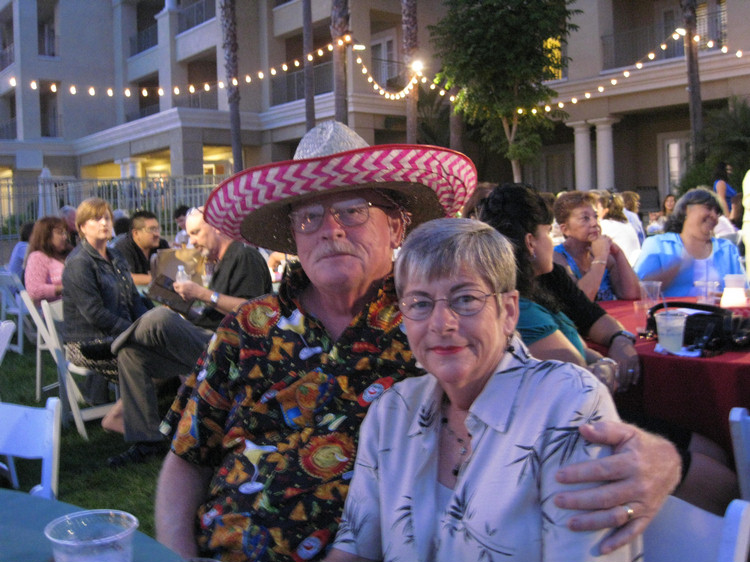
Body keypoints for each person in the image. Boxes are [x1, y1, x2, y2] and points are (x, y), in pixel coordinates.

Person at [154, 122, 681, 561]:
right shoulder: (245, 329)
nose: (329, 229)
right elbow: (187, 455)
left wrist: (663, 457)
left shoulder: (438, 320)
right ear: (293, 235)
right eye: (309, 215)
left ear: (397, 223)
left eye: (353, 209)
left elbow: (547, 399)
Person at [327, 218, 641, 561]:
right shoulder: (393, 411)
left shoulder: (569, 403)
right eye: (420, 303)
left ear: (508, 311)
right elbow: (354, 548)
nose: (442, 322)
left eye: (465, 299)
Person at [481, 183, 739, 516]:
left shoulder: (546, 279)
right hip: (572, 435)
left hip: (595, 416)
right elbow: (579, 382)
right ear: (531, 242)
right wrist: (600, 362)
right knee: (722, 484)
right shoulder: (517, 306)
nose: (553, 240)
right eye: (549, 232)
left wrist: (616, 343)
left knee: (714, 452)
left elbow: (594, 319)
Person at [106, 206, 272, 467]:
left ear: (217, 227)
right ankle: (148, 441)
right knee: (131, 354)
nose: (191, 240)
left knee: (160, 319)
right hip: (209, 343)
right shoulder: (221, 262)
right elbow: (213, 315)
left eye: (195, 232)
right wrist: (187, 306)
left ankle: (113, 346)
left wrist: (202, 294)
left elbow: (253, 310)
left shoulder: (245, 256)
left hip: (235, 350)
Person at [62, 198, 149, 403]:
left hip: (118, 334)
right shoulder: (79, 263)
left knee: (162, 345)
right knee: (147, 356)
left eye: (107, 218)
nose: (104, 223)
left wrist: (147, 324)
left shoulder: (116, 255)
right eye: (96, 219)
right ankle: (133, 417)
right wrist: (133, 332)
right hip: (87, 343)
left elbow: (134, 298)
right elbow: (95, 314)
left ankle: (168, 407)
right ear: (83, 227)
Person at [634, 187, 744, 297]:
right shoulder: (658, 245)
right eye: (708, 208)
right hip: (673, 313)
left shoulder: (726, 249)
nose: (714, 216)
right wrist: (676, 269)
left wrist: (725, 296)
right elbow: (637, 290)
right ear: (686, 209)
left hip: (718, 313)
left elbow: (745, 292)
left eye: (717, 212)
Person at [553, 191, 640, 301]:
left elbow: (632, 294)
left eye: (595, 216)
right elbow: (579, 302)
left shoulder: (604, 256)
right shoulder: (557, 259)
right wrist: (600, 259)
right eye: (585, 218)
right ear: (565, 229)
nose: (594, 223)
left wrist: (618, 254)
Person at [24, 216, 71, 308]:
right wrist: (65, 288)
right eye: (60, 233)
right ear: (46, 236)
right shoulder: (37, 257)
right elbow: (34, 290)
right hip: (56, 314)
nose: (65, 237)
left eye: (65, 233)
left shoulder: (68, 254)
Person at [113, 210, 170, 286]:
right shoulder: (123, 247)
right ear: (136, 233)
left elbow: (171, 271)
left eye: (157, 229)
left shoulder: (162, 244)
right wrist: (158, 279)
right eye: (151, 229)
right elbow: (126, 277)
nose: (157, 234)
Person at [593, 191, 641, 265]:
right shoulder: (627, 224)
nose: (596, 212)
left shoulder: (604, 225)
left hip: (620, 268)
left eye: (598, 209)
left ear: (605, 210)